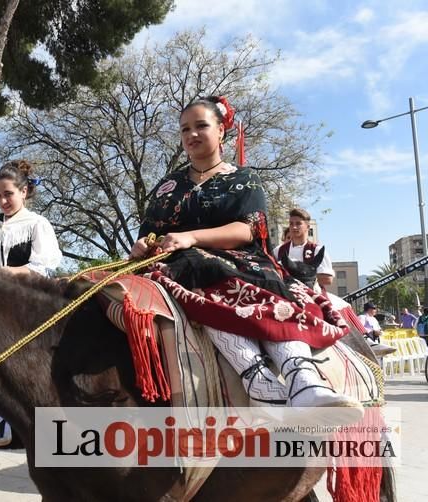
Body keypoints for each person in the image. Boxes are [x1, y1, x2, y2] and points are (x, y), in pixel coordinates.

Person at [130, 95, 359, 412]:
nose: (191, 135)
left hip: (242, 259)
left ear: (221, 131)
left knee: (272, 282)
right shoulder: (168, 184)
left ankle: (302, 379)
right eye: (185, 129)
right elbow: (149, 231)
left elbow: (249, 230)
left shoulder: (244, 178)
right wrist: (141, 246)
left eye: (201, 126)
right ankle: (258, 380)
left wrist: (191, 237)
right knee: (196, 267)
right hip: (181, 263)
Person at [0, 159, 62, 445]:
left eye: (8, 194)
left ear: (24, 192)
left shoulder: (37, 224)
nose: (2, 200)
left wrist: (3, 273)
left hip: (25, 299)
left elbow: (43, 268)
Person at [273, 208, 334, 291]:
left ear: (308, 227)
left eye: (298, 224)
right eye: (291, 224)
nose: (294, 227)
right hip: (284, 293)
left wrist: (303, 276)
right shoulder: (278, 250)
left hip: (313, 294)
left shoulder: (317, 250)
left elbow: (328, 279)